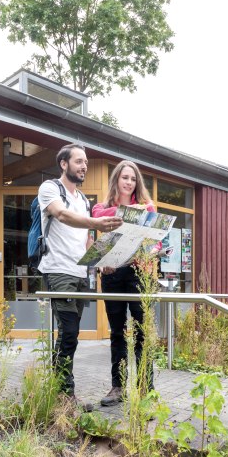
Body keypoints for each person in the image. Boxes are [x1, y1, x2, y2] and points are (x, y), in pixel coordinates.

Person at [38, 143, 123, 411]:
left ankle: (61, 393)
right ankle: (65, 397)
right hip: (58, 269)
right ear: (64, 164)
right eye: (78, 161)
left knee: (69, 334)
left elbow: (86, 239)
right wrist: (96, 223)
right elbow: (62, 215)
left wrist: (101, 262)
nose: (84, 166)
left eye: (85, 162)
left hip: (78, 273)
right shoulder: (51, 189)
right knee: (68, 333)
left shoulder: (84, 200)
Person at [92, 160, 159, 407]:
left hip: (139, 274)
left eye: (133, 179)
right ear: (116, 180)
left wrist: (153, 249)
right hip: (112, 274)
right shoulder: (103, 208)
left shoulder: (147, 208)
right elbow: (96, 216)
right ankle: (118, 387)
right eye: (125, 178)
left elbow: (156, 242)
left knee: (143, 333)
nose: (129, 182)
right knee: (117, 333)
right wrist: (125, 213)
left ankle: (145, 389)